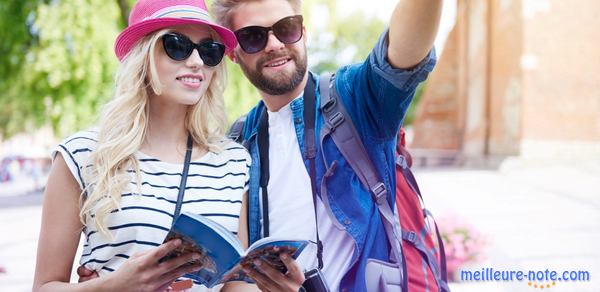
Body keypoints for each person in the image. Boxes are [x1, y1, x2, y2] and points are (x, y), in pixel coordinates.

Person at [208, 0, 442, 291]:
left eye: (286, 29)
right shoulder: (240, 139)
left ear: (303, 32)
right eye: (253, 37)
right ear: (233, 53)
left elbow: (404, 53)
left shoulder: (354, 100)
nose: (274, 44)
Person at [33, 0, 258, 291]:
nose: (196, 62)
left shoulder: (234, 162)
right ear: (143, 55)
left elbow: (237, 285)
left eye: (208, 50)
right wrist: (114, 285)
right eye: (177, 46)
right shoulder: (83, 155)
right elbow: (45, 286)